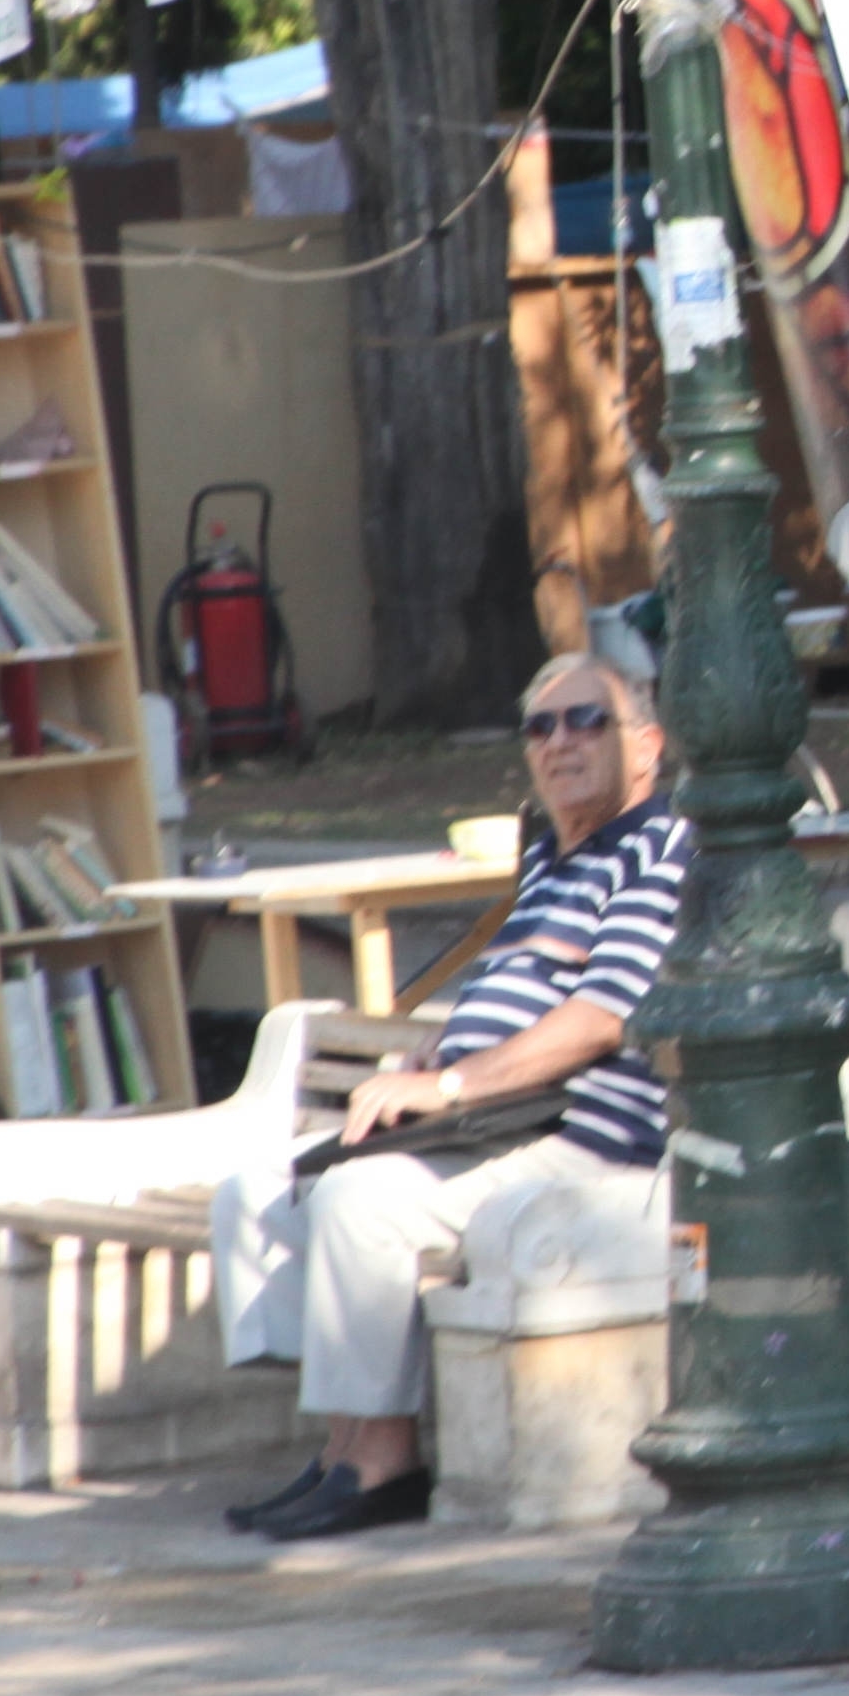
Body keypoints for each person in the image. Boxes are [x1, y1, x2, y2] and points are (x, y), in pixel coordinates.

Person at [212, 652, 694, 1542]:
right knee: (259, 1194)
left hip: (574, 1133)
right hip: (486, 1121)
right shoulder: (552, 859)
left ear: (649, 746)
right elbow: (505, 997)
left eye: (588, 720)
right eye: (541, 727)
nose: (560, 742)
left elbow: (598, 1019)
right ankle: (340, 1447)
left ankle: (385, 1463)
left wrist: (450, 1081)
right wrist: (430, 1064)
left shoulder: (659, 849)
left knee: (362, 1201)